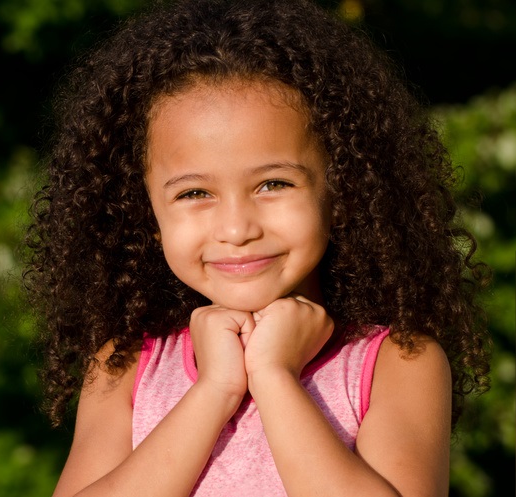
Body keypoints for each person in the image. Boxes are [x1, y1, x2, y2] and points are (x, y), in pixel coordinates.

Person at [25, 0, 490, 495]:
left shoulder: (397, 362)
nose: (237, 227)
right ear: (148, 218)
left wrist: (274, 377)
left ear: (342, 194)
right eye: (194, 193)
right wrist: (215, 389)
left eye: (273, 184)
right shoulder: (124, 366)